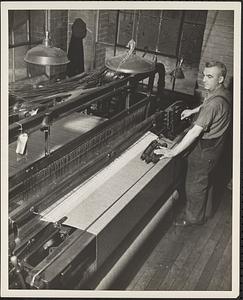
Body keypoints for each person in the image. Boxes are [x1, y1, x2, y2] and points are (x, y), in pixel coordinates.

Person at [154, 61, 232, 226]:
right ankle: (207, 212)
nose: (204, 79)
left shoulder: (214, 104)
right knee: (206, 180)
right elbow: (207, 103)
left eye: (210, 76)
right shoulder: (223, 92)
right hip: (217, 147)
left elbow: (195, 131)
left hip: (206, 150)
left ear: (221, 79)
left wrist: (173, 152)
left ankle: (193, 219)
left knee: (195, 184)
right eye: (204, 75)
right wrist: (193, 110)